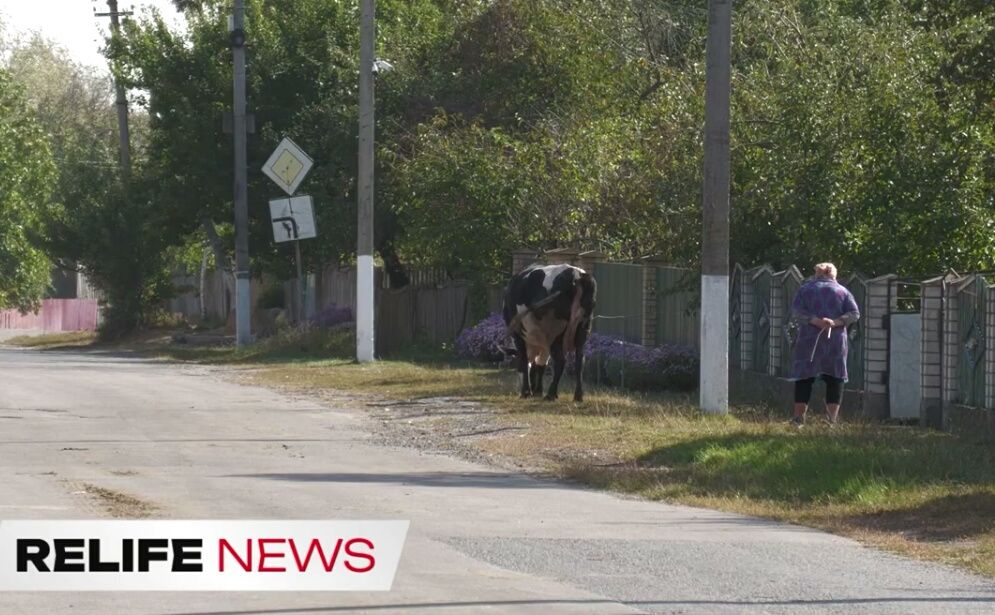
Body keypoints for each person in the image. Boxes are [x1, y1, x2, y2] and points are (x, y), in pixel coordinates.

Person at [789, 263, 860, 427]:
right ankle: (831, 421)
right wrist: (835, 322)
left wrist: (815, 321)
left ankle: (799, 419)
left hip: (808, 340)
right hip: (835, 341)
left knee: (804, 378)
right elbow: (854, 314)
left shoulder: (805, 289)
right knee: (835, 378)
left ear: (816, 274)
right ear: (834, 275)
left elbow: (797, 311)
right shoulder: (843, 291)